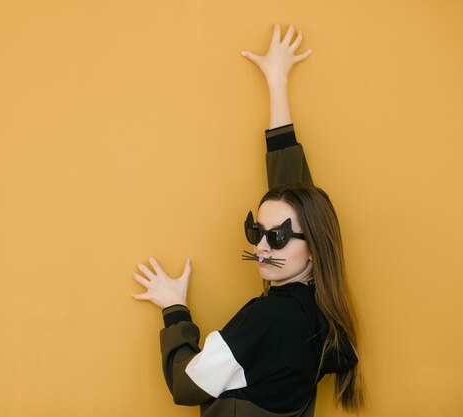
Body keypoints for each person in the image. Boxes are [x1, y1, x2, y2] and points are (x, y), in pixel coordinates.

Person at [132, 24, 364, 417]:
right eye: (256, 231)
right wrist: (277, 84)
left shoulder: (268, 318)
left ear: (313, 248)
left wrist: (174, 309)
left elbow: (187, 385)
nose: (260, 246)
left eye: (276, 238)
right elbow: (294, 197)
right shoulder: (324, 312)